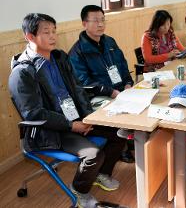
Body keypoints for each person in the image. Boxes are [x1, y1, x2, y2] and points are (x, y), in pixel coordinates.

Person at [9, 13, 125, 208]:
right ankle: (79, 190)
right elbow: (33, 113)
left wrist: (89, 117)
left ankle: (100, 174)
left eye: (54, 31)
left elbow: (78, 89)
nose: (53, 36)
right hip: (50, 130)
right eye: (46, 32)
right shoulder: (22, 73)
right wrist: (72, 126)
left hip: (76, 119)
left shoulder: (59, 57)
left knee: (121, 133)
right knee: (93, 154)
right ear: (30, 37)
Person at [68, 5, 135, 163]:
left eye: (103, 20)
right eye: (96, 20)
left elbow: (122, 65)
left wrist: (128, 83)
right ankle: (121, 146)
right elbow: (84, 82)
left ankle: (129, 139)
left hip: (119, 90)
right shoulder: (77, 52)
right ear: (84, 23)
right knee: (121, 111)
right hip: (96, 95)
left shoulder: (110, 42)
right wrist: (111, 92)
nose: (100, 24)